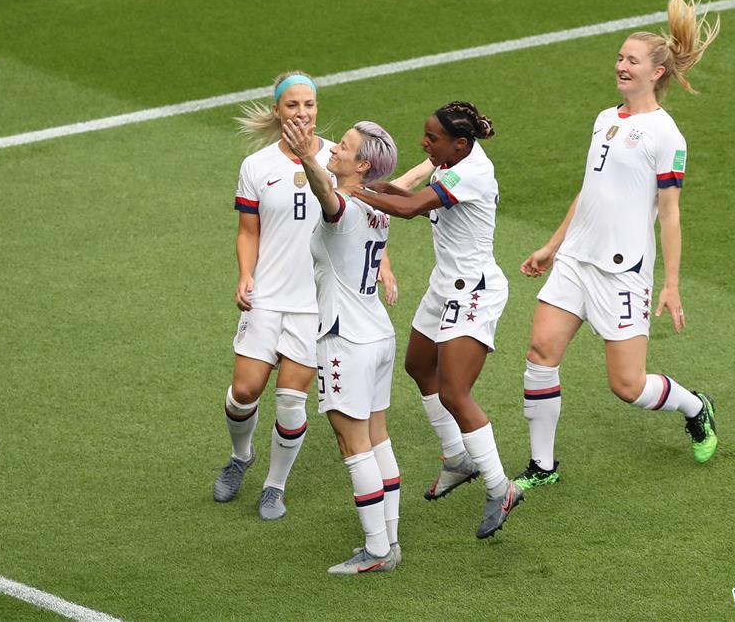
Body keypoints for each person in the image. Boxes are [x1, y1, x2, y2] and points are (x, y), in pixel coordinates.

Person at [513, 0, 721, 492]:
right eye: (620, 57)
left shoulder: (666, 135)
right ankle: (542, 465)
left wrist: (671, 284)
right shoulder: (606, 119)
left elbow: (669, 213)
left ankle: (695, 407)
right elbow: (590, 190)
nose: (621, 66)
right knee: (540, 352)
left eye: (632, 60)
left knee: (627, 385)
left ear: (657, 72)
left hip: (622, 270)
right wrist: (553, 246)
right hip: (575, 261)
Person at [212, 71, 398, 521]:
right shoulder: (256, 167)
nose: (302, 113)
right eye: (292, 105)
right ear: (277, 110)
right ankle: (241, 456)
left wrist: (383, 264)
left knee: (291, 401)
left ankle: (274, 486)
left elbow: (365, 211)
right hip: (268, 295)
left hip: (314, 304)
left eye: (309, 104)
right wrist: (245, 274)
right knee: (244, 393)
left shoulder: (339, 158)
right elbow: (248, 230)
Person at [352, 101, 523, 540]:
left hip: (474, 291)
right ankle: (457, 458)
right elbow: (409, 198)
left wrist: (353, 192)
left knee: (454, 392)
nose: (424, 143)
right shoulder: (451, 163)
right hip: (445, 285)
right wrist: (377, 187)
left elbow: (410, 209)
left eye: (432, 138)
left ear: (460, 144)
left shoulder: (471, 173)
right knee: (418, 365)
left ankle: (500, 487)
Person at [283, 117, 401, 574]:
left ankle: (376, 551)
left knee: (353, 445)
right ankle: (389, 540)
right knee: (377, 437)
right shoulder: (378, 207)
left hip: (345, 340)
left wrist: (305, 157)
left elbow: (326, 196)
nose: (333, 149)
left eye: (344, 147)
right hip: (378, 334)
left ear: (363, 165)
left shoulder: (347, 209)